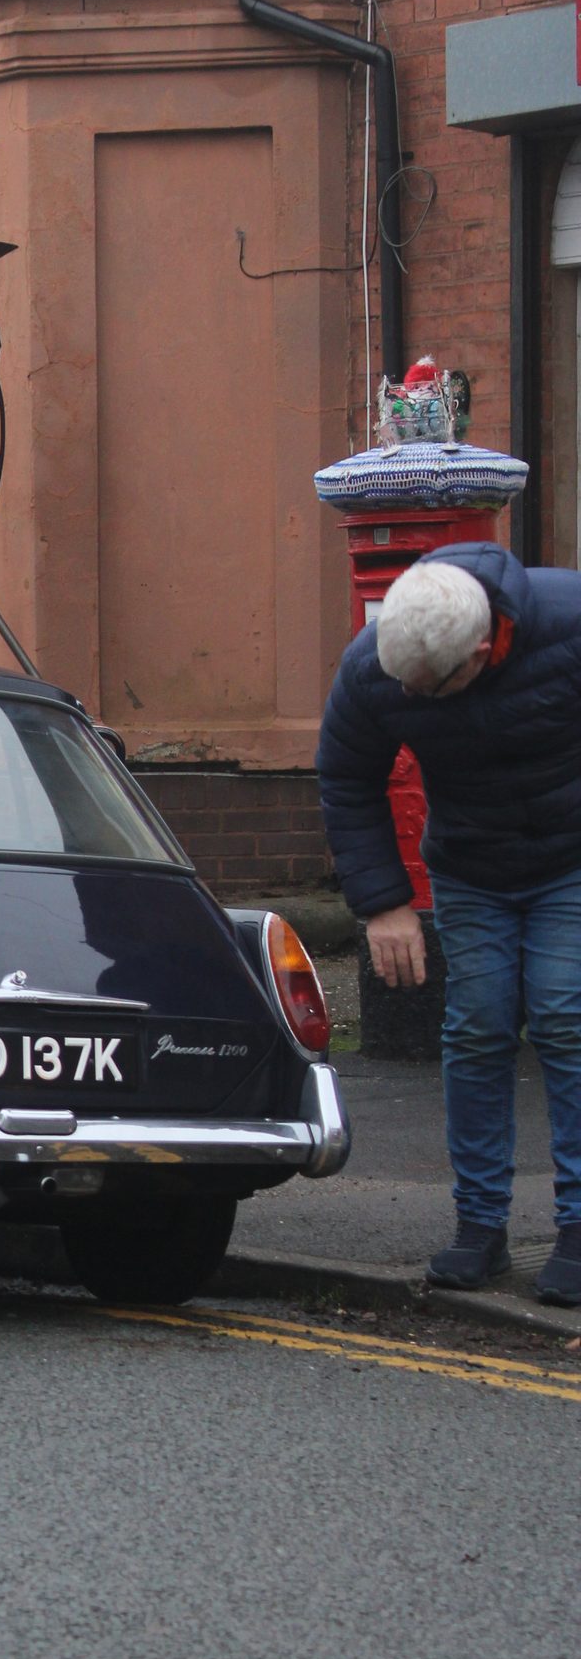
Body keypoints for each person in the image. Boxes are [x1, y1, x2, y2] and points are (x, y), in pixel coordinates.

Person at [317, 543, 581, 1304]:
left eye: (433, 689)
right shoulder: (376, 665)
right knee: (476, 1028)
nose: (417, 700)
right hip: (471, 866)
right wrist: (382, 902)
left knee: (566, 1018)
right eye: (409, 688)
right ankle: (480, 1228)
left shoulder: (566, 621)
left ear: (482, 648)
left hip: (571, 860)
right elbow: (347, 773)